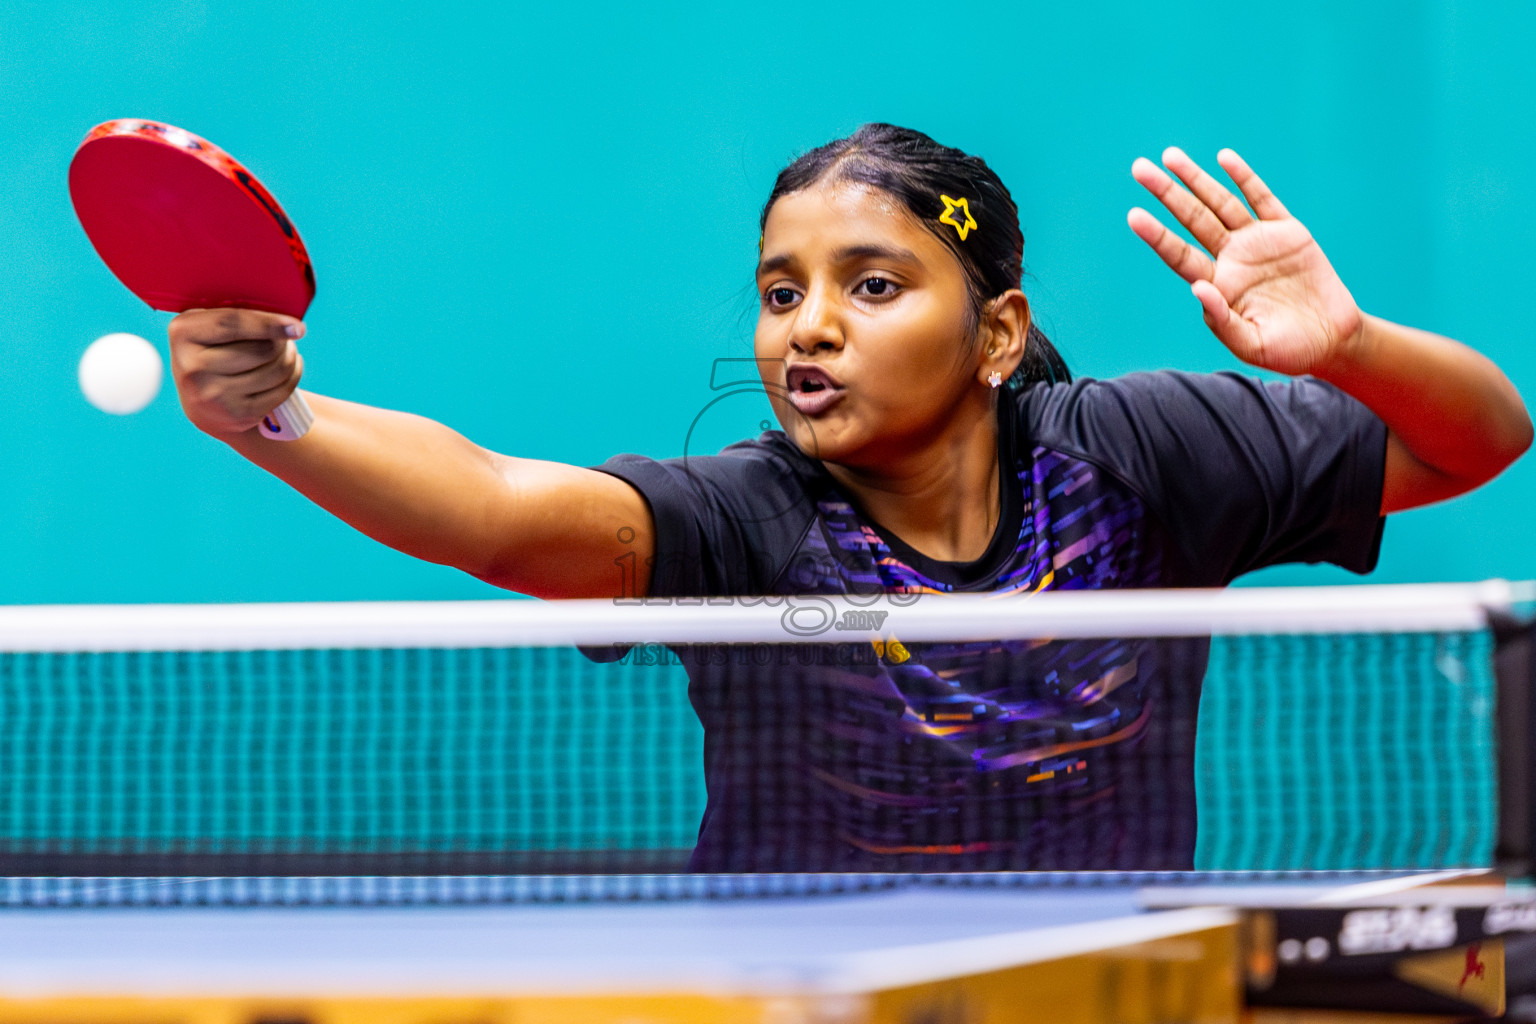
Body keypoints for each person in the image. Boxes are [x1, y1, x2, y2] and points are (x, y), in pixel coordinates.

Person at [169, 124, 1531, 872]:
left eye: (872, 287)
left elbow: (1478, 441)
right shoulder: (745, 522)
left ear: (996, 333)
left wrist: (1349, 350)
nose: (806, 329)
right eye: (780, 293)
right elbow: (495, 507)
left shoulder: (1141, 456)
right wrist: (274, 413)